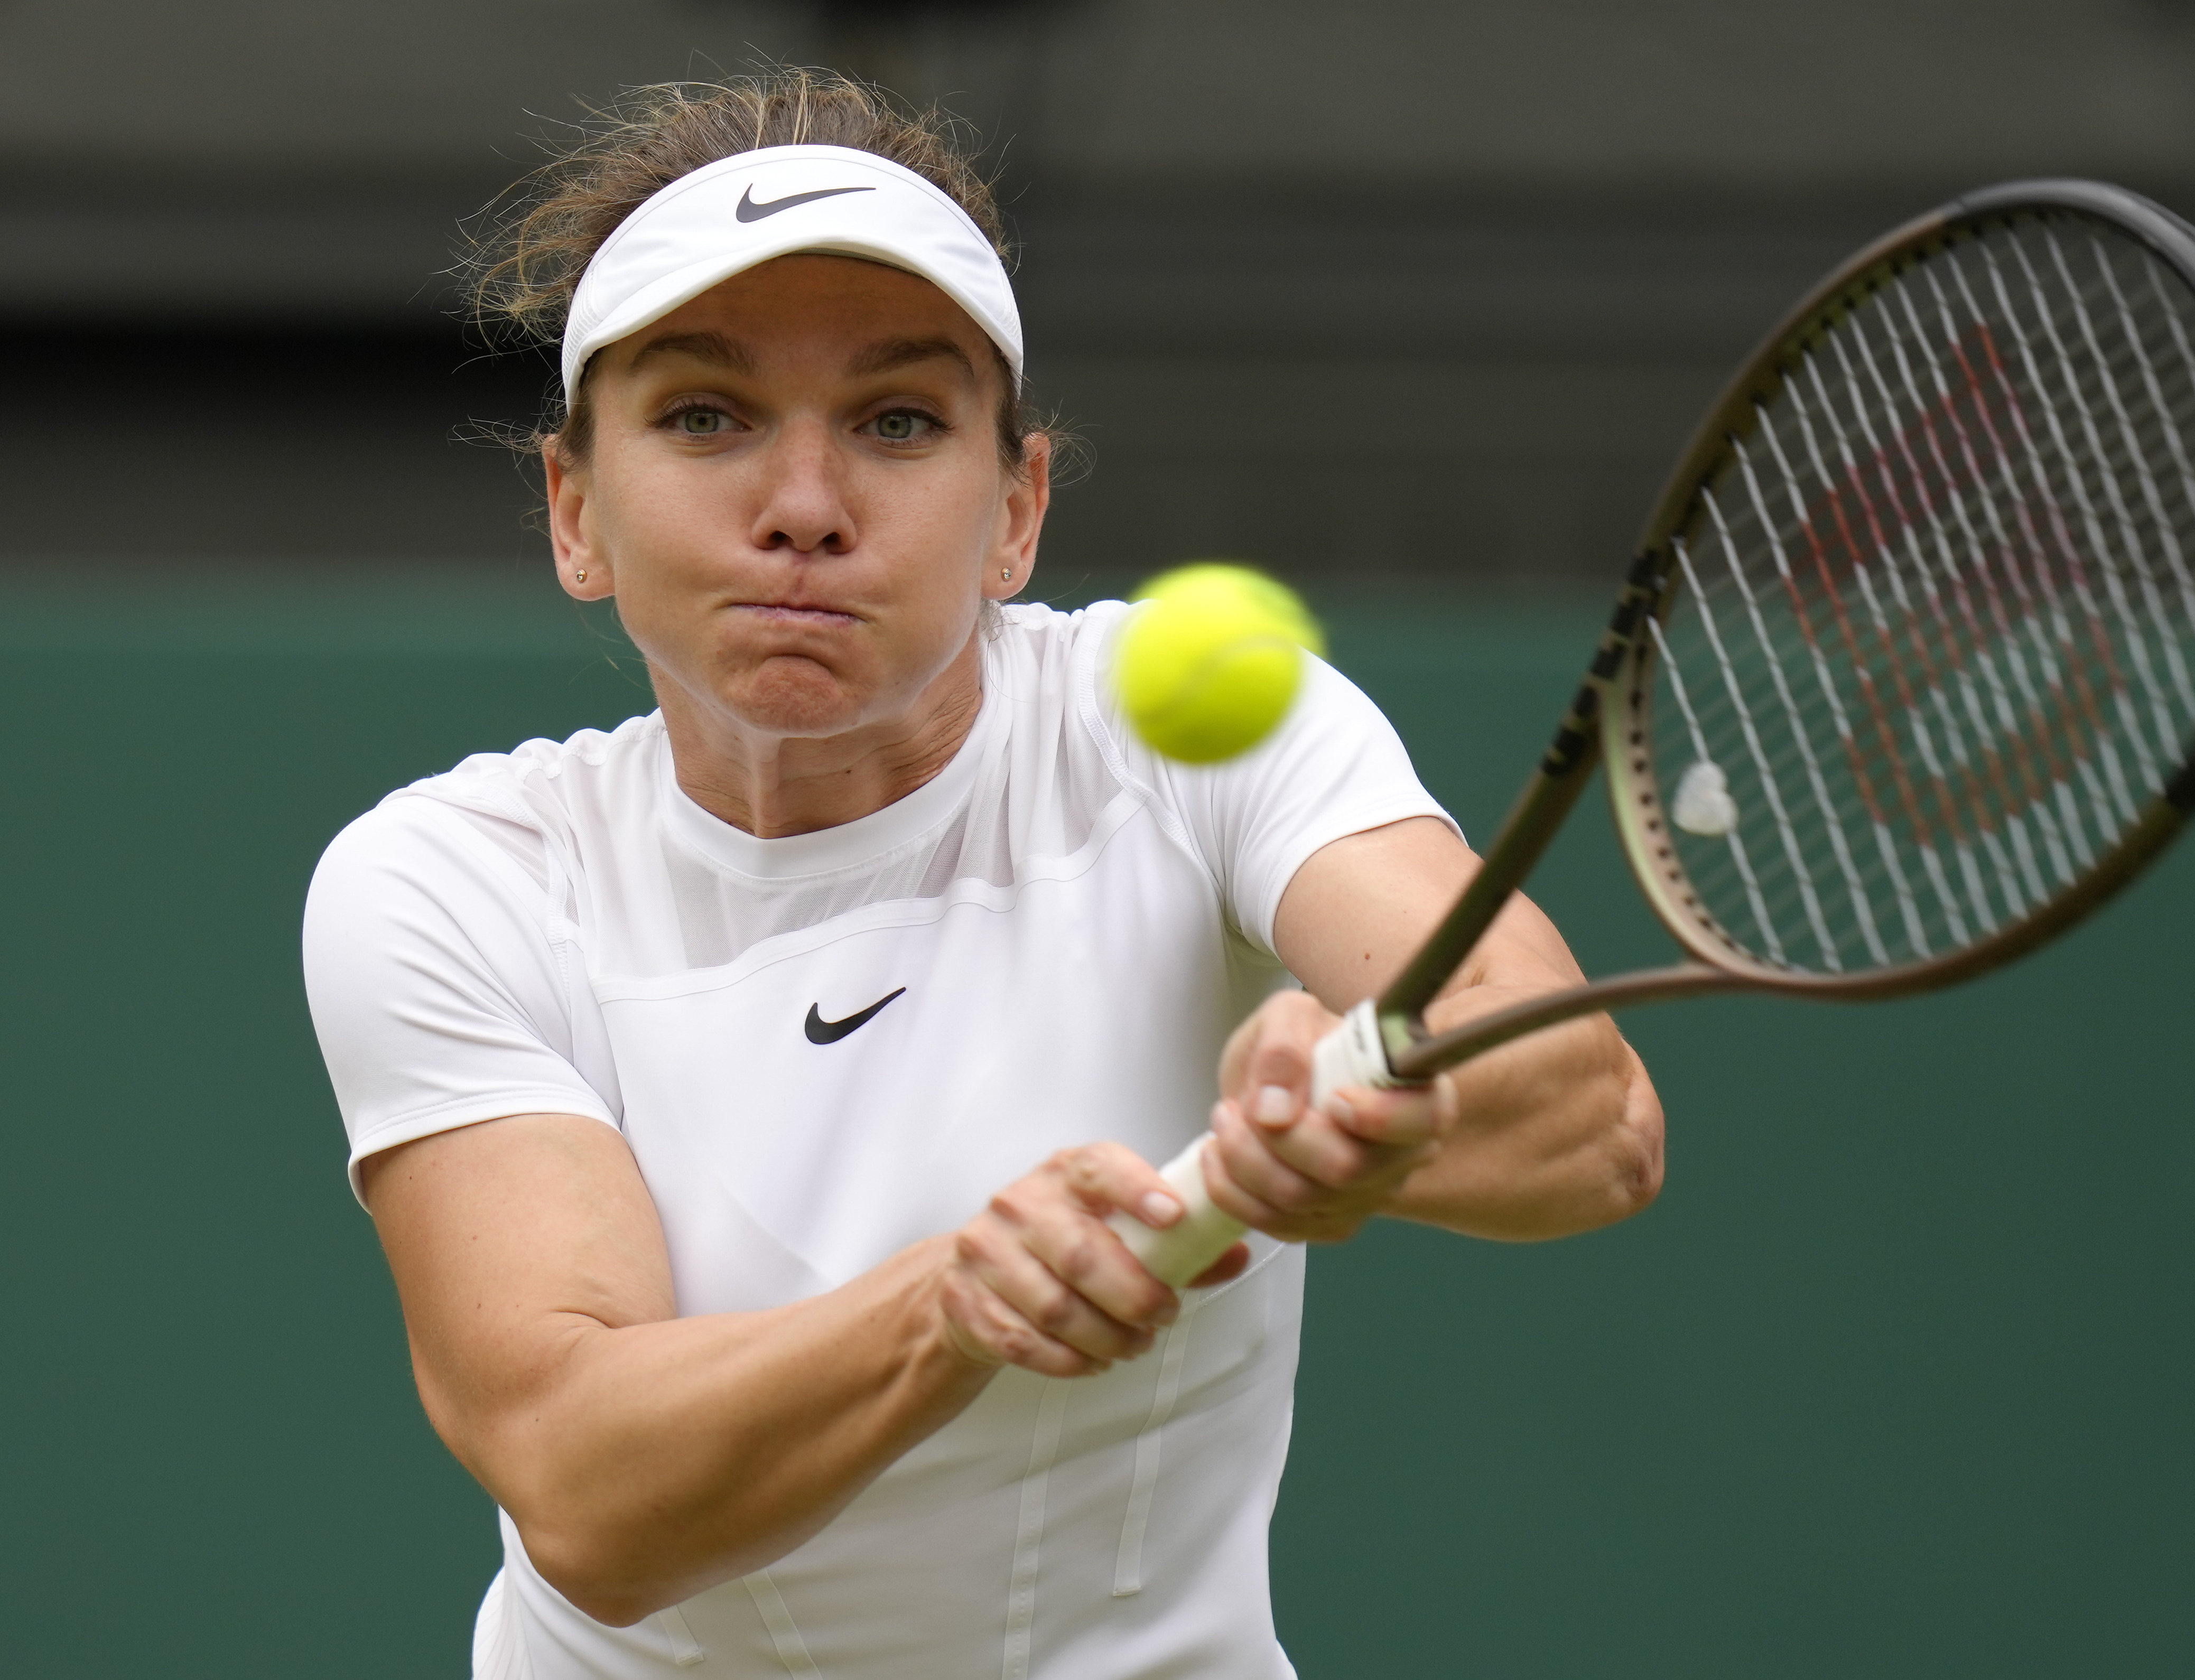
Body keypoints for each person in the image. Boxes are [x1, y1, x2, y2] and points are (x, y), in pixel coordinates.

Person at [303, 70, 1662, 1680]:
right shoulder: (453, 880)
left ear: (1016, 508)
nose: (804, 508)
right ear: (573, 509)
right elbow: (594, 1494)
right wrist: (955, 1299)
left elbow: (1590, 1117)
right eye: (706, 415)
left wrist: (1379, 1109)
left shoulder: (1195, 723)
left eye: (896, 421)